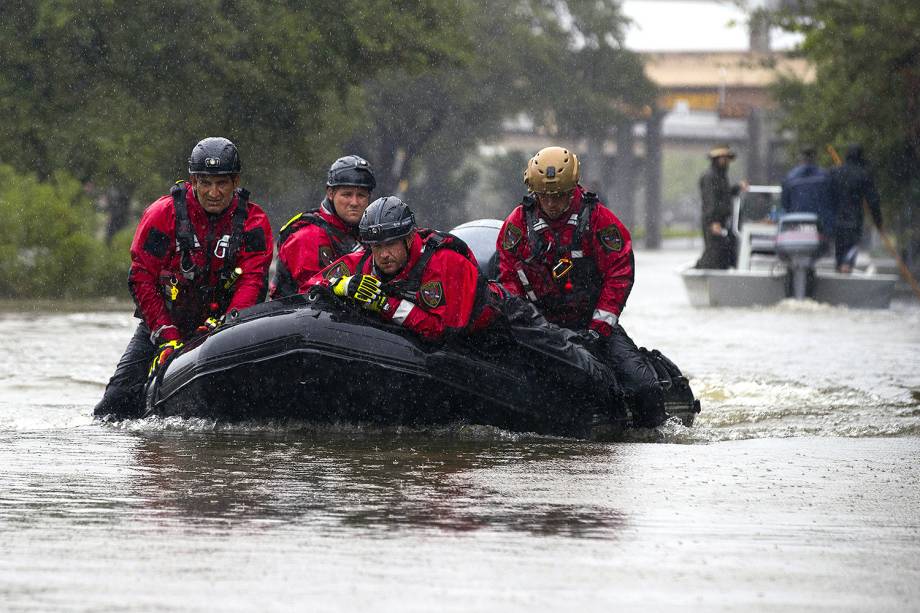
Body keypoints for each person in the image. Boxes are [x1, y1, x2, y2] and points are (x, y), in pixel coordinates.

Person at [94, 137, 274, 418]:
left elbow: (253, 281)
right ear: (193, 181)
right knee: (114, 404)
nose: (214, 192)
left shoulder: (254, 222)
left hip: (225, 328)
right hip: (163, 323)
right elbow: (142, 277)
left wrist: (228, 325)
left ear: (236, 181)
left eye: (222, 183)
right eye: (206, 183)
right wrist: (166, 334)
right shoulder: (162, 214)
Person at [495, 145, 666, 427]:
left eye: (559, 196)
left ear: (572, 188)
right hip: (541, 330)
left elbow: (619, 274)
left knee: (643, 387)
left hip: (593, 327)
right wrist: (532, 327)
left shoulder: (598, 220)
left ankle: (648, 432)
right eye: (545, 196)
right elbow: (509, 279)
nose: (551, 203)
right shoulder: (516, 226)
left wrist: (597, 330)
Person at [306, 196, 499, 341]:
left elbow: (445, 333)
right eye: (377, 246)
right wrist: (341, 285)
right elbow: (309, 288)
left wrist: (385, 304)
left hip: (492, 335)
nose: (383, 255)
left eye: (390, 245)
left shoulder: (446, 262)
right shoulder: (363, 262)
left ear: (408, 239)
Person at [270, 155, 375, 298]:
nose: (354, 202)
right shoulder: (308, 236)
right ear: (330, 194)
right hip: (298, 316)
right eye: (347, 194)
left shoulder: (366, 233)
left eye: (361, 195)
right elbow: (310, 299)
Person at [830, 144, 883, 273]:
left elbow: (827, 195)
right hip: (854, 219)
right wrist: (878, 221)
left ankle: (840, 267)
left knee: (840, 248)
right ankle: (846, 266)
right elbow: (873, 200)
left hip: (837, 218)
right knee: (851, 247)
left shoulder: (835, 172)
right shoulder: (863, 174)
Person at [696, 145, 743, 269]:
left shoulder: (721, 176)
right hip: (713, 221)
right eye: (723, 158)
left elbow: (725, 194)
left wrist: (737, 188)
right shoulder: (709, 176)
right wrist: (713, 221)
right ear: (716, 159)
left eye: (727, 159)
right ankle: (700, 271)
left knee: (724, 251)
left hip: (722, 220)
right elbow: (710, 200)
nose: (726, 161)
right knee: (713, 252)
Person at [781, 146, 836, 244]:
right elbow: (832, 198)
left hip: (797, 219)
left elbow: (785, 202)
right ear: (815, 157)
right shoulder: (825, 176)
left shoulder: (790, 177)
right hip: (820, 221)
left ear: (801, 157)